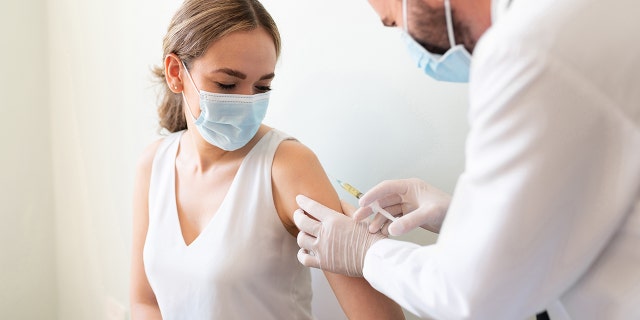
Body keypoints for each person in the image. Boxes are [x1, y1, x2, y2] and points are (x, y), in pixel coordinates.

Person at [293, 0, 640, 319]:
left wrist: (368, 254)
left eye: (394, 20)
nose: (403, 36)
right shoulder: (579, 18)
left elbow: (473, 296)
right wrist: (460, 215)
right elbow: (581, 197)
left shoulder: (528, 50)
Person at [129, 0, 405, 319]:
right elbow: (145, 303)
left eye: (262, 86)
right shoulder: (154, 164)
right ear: (176, 73)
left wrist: (370, 255)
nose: (248, 102)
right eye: (227, 84)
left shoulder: (287, 166)